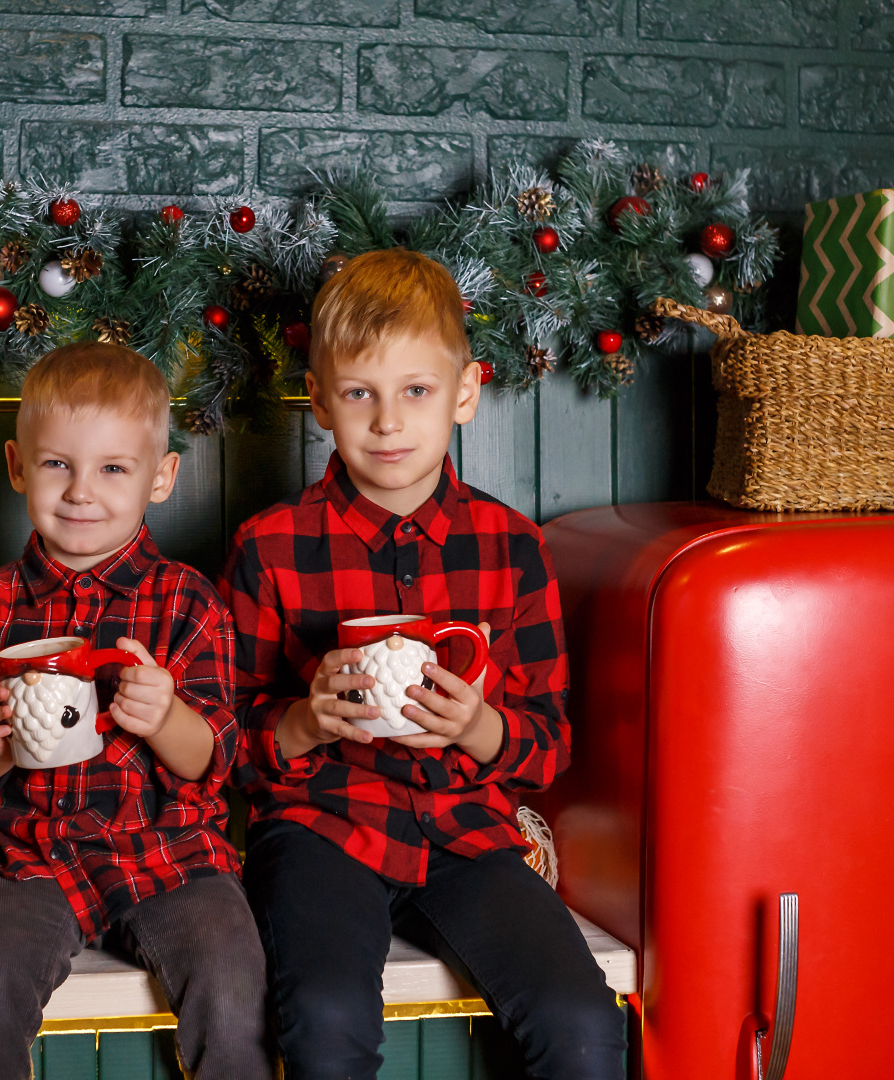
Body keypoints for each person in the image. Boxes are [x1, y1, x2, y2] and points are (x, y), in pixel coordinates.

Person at [220, 248, 625, 1079]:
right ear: (320, 401)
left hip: (470, 834)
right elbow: (221, 744)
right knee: (325, 1018)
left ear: (465, 393)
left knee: (581, 1023)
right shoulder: (270, 546)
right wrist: (301, 720)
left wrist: (480, 727)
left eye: (416, 391)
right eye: (359, 393)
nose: (388, 423)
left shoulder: (511, 547)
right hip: (319, 829)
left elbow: (548, 744)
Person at [0, 342, 269, 1080]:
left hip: (172, 856)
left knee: (236, 989)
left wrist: (165, 715)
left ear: (162, 477)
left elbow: (214, 759)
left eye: (113, 468)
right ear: (17, 466)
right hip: (29, 859)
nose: (81, 491)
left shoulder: (188, 604)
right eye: (57, 465)